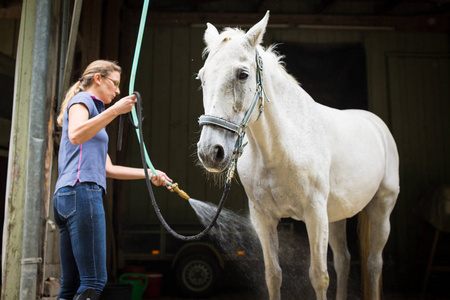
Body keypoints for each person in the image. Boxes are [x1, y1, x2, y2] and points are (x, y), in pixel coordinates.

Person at [53, 60, 171, 300]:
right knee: (94, 281)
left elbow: (108, 168)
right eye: (114, 84)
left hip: (67, 197)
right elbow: (75, 135)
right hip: (82, 193)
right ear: (98, 78)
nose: (118, 91)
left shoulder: (94, 114)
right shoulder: (83, 101)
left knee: (71, 285)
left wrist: (150, 174)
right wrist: (116, 110)